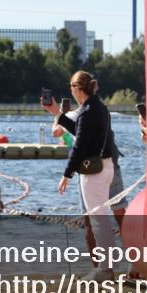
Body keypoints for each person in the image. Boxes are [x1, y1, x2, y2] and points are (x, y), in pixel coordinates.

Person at [42, 71, 116, 280]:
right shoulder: (98, 107)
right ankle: (106, 266)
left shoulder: (87, 111)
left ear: (77, 88)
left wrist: (66, 174)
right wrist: (58, 114)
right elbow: (80, 131)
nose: (71, 91)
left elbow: (79, 146)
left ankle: (104, 268)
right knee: (101, 218)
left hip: (94, 171)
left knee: (98, 219)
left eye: (71, 87)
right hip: (106, 167)